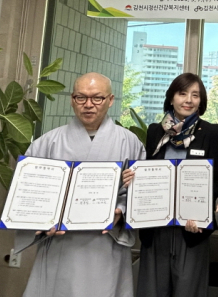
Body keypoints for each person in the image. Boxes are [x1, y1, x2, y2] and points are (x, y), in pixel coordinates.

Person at [15, 72, 145, 297]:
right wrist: (41, 220)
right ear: (72, 100)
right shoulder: (48, 142)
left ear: (110, 100)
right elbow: (26, 193)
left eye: (97, 98)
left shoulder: (130, 142)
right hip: (61, 244)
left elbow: (139, 191)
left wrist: (121, 211)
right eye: (81, 97)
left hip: (105, 243)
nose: (88, 105)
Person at [124, 73, 218, 297]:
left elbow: (216, 181)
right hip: (155, 228)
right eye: (182, 93)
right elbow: (148, 173)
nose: (188, 100)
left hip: (192, 230)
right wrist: (133, 178)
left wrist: (203, 216)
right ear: (171, 98)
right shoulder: (155, 132)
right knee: (152, 291)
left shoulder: (211, 132)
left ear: (201, 100)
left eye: (195, 95)